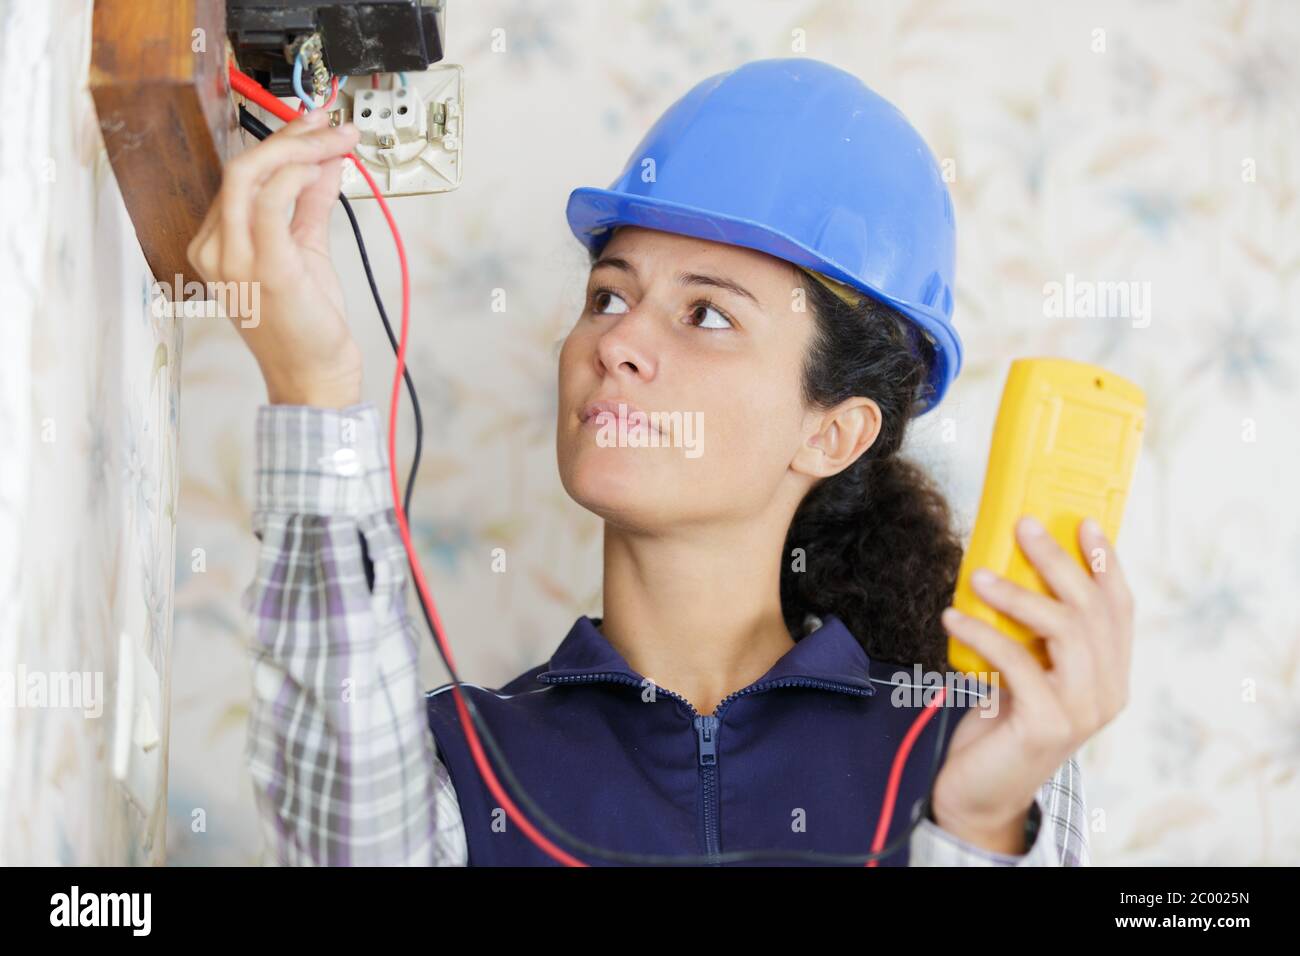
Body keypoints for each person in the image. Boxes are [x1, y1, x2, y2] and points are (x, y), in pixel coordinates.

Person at [188, 58, 1131, 866]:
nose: (619, 341)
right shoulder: (460, 762)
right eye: (607, 296)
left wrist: (974, 824)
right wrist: (312, 387)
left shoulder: (977, 756)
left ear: (833, 433)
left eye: (707, 314)